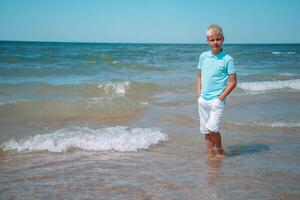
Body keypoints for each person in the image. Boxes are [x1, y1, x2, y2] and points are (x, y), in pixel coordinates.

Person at [196, 24, 237, 158]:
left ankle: (219, 151)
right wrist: (199, 95)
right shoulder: (203, 56)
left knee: (213, 128)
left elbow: (233, 82)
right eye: (212, 40)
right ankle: (210, 153)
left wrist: (220, 99)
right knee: (205, 130)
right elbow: (199, 76)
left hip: (216, 101)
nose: (215, 42)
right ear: (207, 41)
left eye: (218, 39)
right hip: (203, 100)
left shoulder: (227, 59)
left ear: (223, 39)